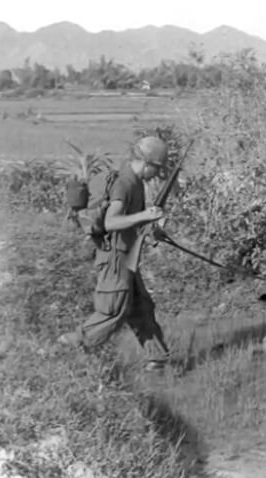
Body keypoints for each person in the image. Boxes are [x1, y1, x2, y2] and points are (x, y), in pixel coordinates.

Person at [59, 136, 171, 369]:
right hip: (115, 259)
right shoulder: (126, 183)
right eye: (157, 169)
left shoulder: (136, 181)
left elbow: (131, 223)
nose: (157, 175)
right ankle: (66, 349)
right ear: (148, 163)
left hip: (127, 257)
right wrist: (145, 216)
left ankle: (158, 360)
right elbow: (111, 222)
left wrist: (152, 230)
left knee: (142, 310)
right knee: (113, 312)